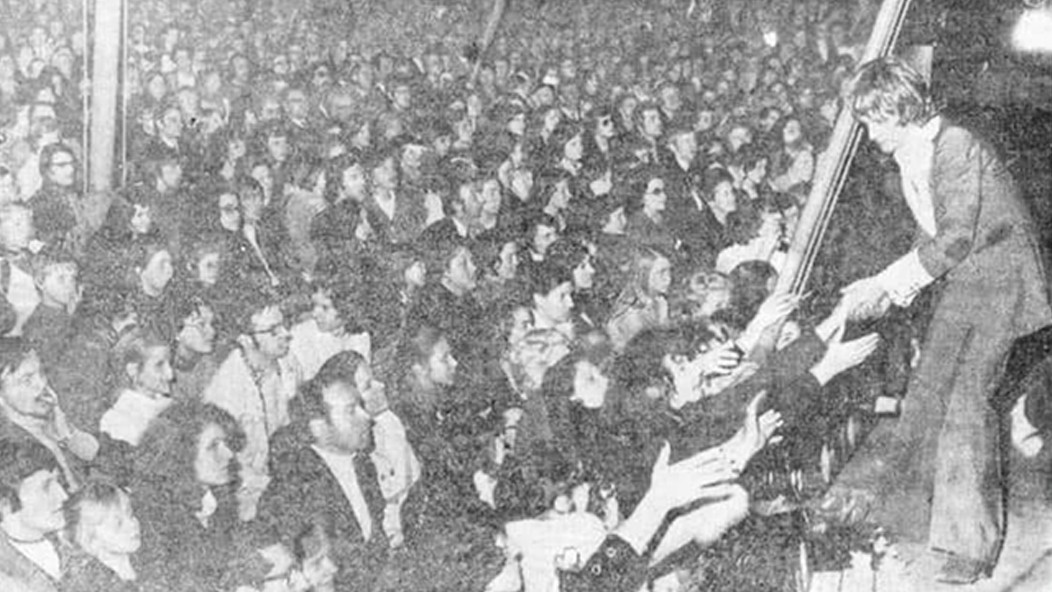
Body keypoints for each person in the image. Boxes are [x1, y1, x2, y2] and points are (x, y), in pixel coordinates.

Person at [832, 57, 1052, 584]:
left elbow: (955, 237)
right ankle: (909, 520)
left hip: (1000, 287)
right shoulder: (913, 153)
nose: (868, 132)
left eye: (871, 119)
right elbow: (931, 237)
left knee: (964, 408)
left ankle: (970, 546)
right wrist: (885, 285)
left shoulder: (954, 145)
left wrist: (886, 285)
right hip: (968, 283)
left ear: (896, 107)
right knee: (927, 393)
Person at [131, 403, 244, 592]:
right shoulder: (154, 516)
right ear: (181, 454)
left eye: (226, 444)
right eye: (213, 446)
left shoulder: (217, 498)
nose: (229, 454)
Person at [0, 438, 69, 592]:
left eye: (58, 482)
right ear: (4, 503)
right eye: (46, 487)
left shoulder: (77, 539)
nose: (63, 496)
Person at [61, 479, 142, 592]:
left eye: (130, 514)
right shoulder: (93, 585)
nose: (132, 524)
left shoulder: (145, 561)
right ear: (91, 541)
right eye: (118, 524)